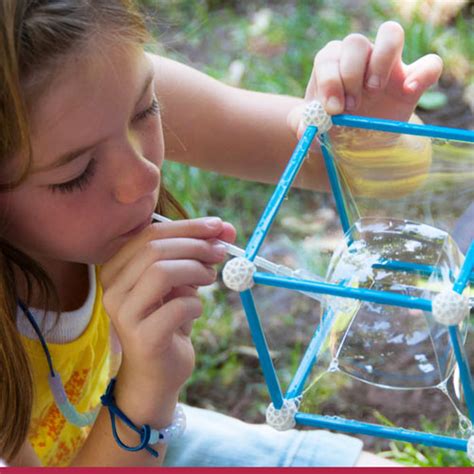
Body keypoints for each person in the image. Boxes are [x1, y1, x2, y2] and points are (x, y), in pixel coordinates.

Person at [0, 0, 442, 467]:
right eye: (76, 174)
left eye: (146, 111)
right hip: (132, 426)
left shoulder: (97, 76)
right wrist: (148, 390)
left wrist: (365, 131)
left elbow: (370, 168)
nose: (144, 177)